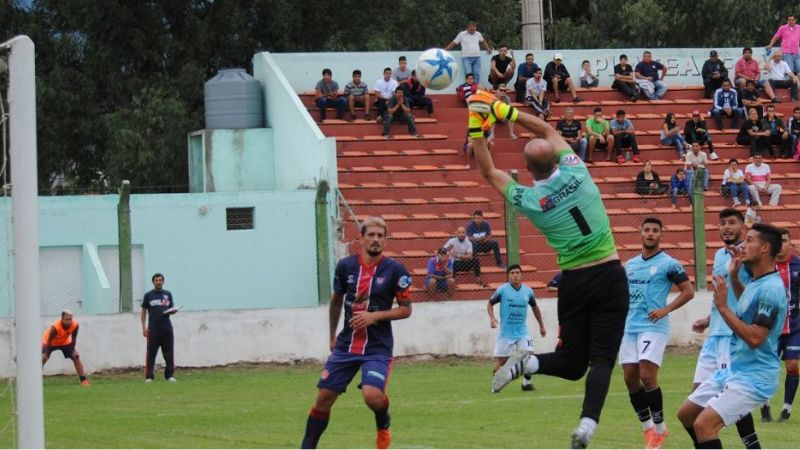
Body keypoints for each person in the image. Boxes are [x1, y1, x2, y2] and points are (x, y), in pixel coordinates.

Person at [467, 92, 629, 448]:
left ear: (528, 171)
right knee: (601, 358)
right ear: (556, 160)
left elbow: (488, 171)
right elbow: (544, 127)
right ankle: (587, 424)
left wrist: (477, 128)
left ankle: (525, 365)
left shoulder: (531, 201)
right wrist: (504, 110)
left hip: (573, 281)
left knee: (573, 364)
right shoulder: (578, 170)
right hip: (608, 274)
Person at [300, 217, 412, 449]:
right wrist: (332, 335)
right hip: (346, 346)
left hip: (377, 347)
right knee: (323, 399)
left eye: (380, 236)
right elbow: (336, 302)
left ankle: (383, 424)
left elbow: (405, 310)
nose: (375, 239)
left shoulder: (395, 270)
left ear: (385, 240)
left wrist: (374, 316)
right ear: (362, 238)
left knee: (372, 396)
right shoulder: (345, 266)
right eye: (371, 235)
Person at [677, 223, 786, 449]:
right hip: (734, 370)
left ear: (765, 248)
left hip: (755, 376)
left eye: (750, 241)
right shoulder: (757, 282)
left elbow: (756, 338)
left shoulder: (771, 289)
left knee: (704, 425)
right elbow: (748, 308)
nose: (743, 246)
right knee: (687, 415)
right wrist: (735, 278)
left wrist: (723, 308)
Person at [688, 208, 761, 449]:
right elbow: (722, 295)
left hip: (732, 337)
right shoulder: (719, 255)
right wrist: (709, 319)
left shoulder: (750, 257)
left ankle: (752, 446)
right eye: (722, 223)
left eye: (732, 223)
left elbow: (750, 298)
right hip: (714, 336)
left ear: (744, 227)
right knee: (696, 399)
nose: (726, 227)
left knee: (730, 397)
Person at [622, 217, 694, 449]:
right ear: (640, 233)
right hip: (629, 327)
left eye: (655, 230)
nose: (650, 234)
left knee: (646, 375)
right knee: (629, 377)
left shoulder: (669, 264)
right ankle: (649, 430)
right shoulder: (630, 265)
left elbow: (688, 291)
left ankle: (660, 427)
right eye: (647, 230)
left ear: (661, 234)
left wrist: (666, 309)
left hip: (653, 326)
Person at [761, 228, 800, 422]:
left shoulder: (798, 266)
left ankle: (786, 409)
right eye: (779, 241)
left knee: (792, 366)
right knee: (767, 367)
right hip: (770, 329)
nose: (782, 244)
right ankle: (764, 407)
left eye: (785, 240)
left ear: (791, 243)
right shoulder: (765, 267)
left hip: (794, 326)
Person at [488, 265, 546, 392]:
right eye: (512, 273)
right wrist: (492, 318)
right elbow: (490, 303)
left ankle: (526, 384)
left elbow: (535, 307)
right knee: (503, 360)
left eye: (518, 272)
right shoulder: (502, 290)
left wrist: (541, 325)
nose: (515, 275)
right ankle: (496, 384)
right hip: (506, 333)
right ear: (508, 275)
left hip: (522, 332)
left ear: (521, 274)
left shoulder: (528, 291)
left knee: (529, 356)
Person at [141, 272, 178, 383]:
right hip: (153, 329)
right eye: (156, 280)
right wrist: (143, 328)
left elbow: (171, 309)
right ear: (153, 282)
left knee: (169, 352)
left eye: (160, 280)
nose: (158, 282)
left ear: (163, 281)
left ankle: (169, 375)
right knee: (151, 353)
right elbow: (143, 312)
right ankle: (149, 376)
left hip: (166, 328)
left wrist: (173, 311)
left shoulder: (168, 294)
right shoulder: (148, 295)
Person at [41, 309, 90, 386]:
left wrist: (73, 350)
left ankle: (84, 380)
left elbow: (74, 338)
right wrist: (46, 354)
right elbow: (49, 340)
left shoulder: (75, 325)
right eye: (66, 319)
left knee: (76, 357)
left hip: (64, 342)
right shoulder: (55, 328)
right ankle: (35, 380)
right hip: (49, 342)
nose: (69, 321)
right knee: (42, 359)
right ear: (62, 319)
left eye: (70, 319)